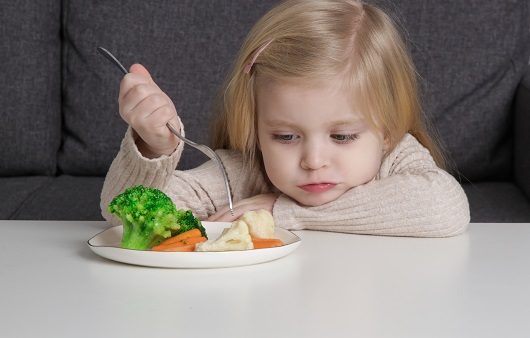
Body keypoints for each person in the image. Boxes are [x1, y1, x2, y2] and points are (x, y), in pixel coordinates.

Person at [101, 0, 469, 237]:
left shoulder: (398, 160)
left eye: (342, 136)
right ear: (256, 129)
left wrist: (285, 212)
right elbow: (122, 217)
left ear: (386, 130)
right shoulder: (243, 172)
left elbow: (444, 209)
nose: (313, 161)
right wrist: (153, 146)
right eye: (285, 137)